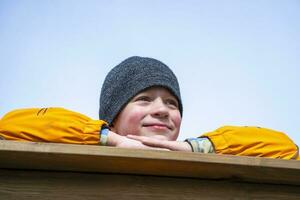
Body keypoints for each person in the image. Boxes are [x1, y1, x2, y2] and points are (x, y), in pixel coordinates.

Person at [0, 56, 298, 159]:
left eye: (171, 103)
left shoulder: (204, 156)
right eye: (143, 99)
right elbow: (11, 125)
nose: (162, 110)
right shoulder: (99, 139)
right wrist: (111, 140)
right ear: (112, 117)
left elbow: (286, 148)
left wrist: (197, 148)